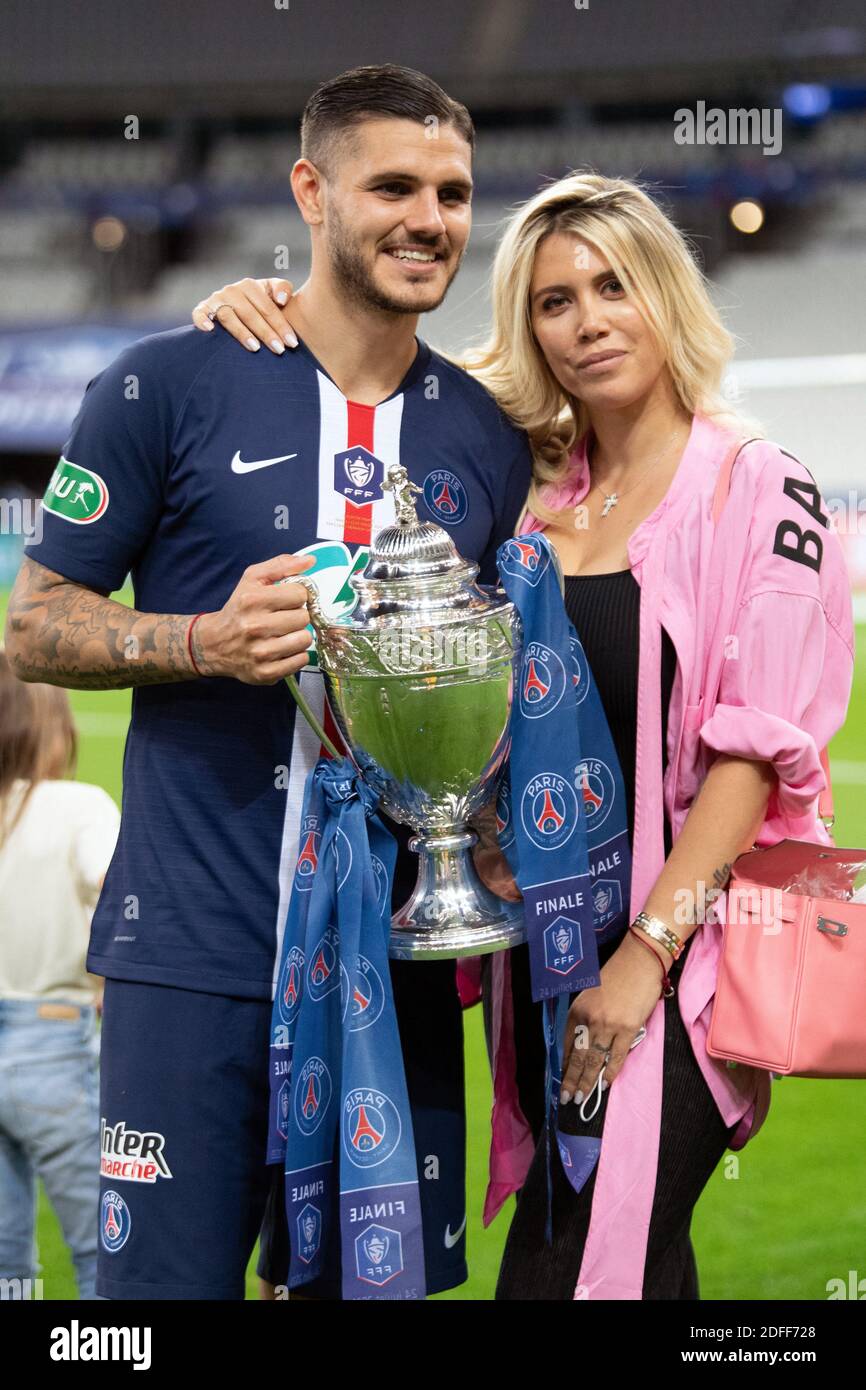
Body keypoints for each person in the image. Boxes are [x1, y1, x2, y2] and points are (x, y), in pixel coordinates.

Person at [195, 170, 855, 1300]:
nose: (587, 320)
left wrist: (643, 961)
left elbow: (752, 757)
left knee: (571, 1268)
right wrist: (245, 318)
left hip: (681, 957)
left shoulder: (762, 487)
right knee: (632, 1256)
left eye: (613, 287)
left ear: (664, 296)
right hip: (542, 964)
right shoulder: (531, 493)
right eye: (554, 300)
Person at [3, 64, 532, 1301]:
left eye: (451, 192)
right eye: (391, 184)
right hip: (191, 950)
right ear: (310, 190)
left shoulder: (481, 434)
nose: (428, 217)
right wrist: (201, 641)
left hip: (395, 957)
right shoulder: (166, 383)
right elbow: (34, 625)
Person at [0, 649, 119, 1299]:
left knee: (5, 1263)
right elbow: (120, 892)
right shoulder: (77, 807)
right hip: (57, 1047)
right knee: (105, 1251)